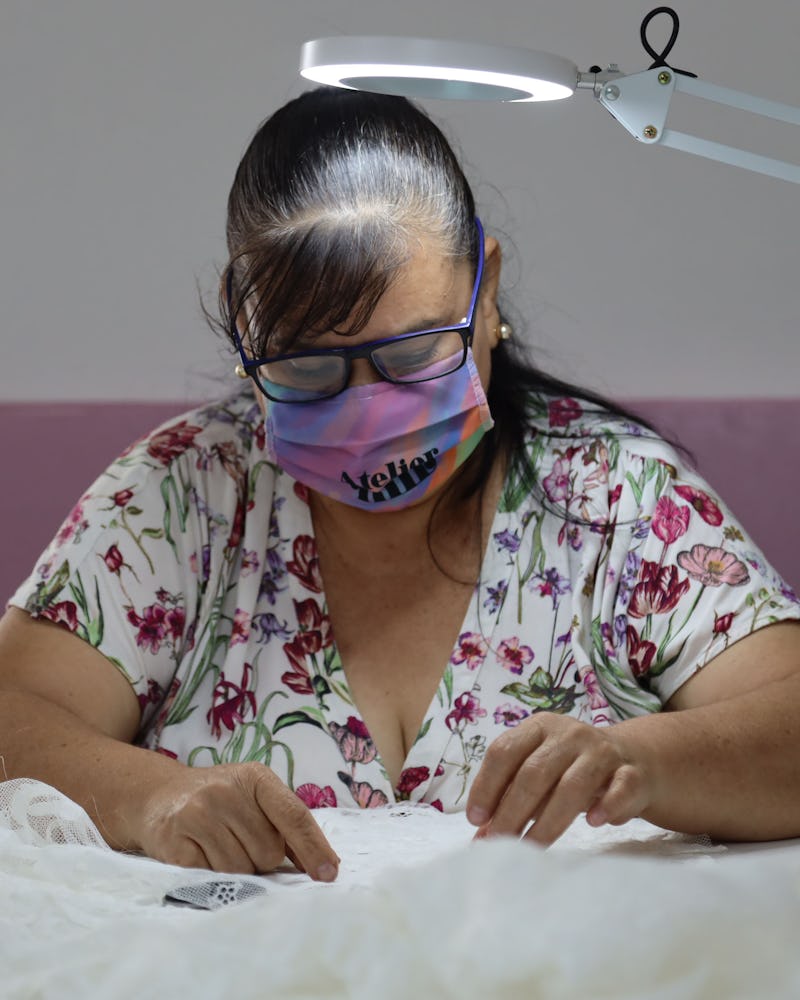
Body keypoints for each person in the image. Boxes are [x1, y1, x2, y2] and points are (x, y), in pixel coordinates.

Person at [1, 87, 799, 883]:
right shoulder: (181, 502)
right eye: (308, 365)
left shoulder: (615, 500)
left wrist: (641, 762)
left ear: (484, 295)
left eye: (414, 355)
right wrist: (150, 797)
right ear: (244, 325)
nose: (364, 415)